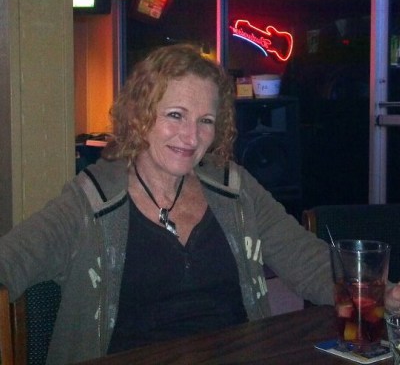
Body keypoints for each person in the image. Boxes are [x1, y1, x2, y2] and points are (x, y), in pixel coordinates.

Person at [0, 44, 399, 365]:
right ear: (140, 115)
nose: (191, 137)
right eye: (175, 115)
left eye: (206, 120)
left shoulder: (235, 189)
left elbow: (307, 261)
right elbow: (12, 261)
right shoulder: (90, 201)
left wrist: (386, 294)